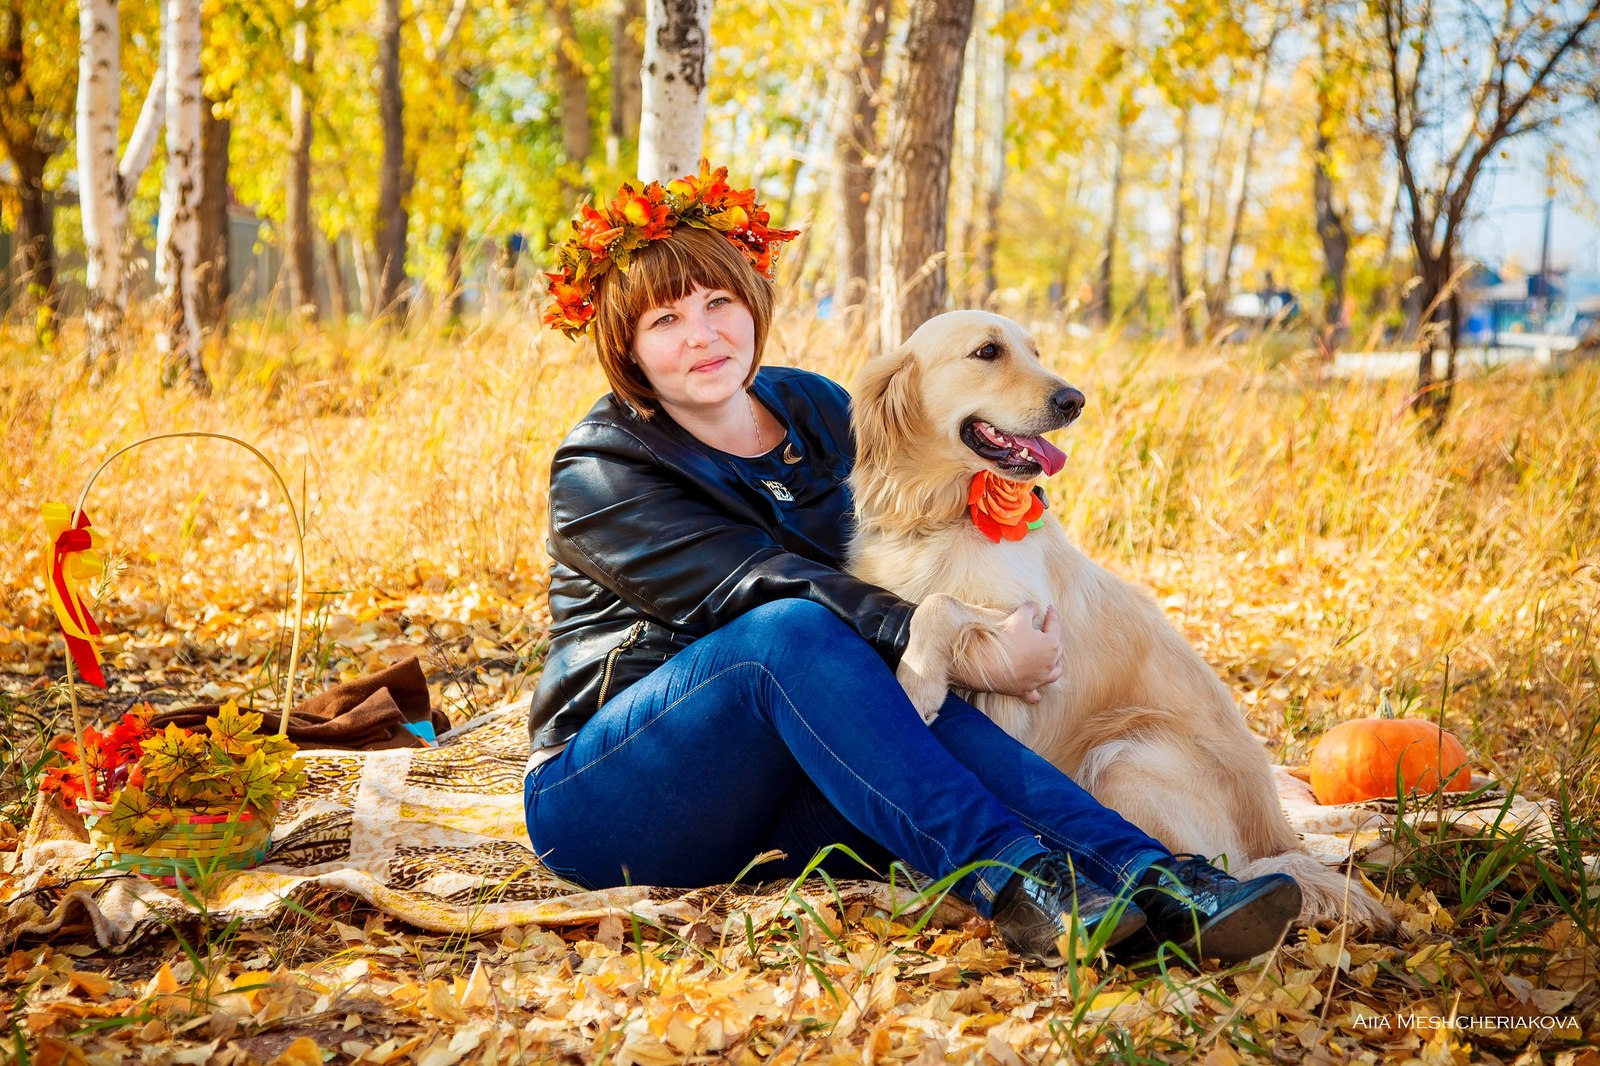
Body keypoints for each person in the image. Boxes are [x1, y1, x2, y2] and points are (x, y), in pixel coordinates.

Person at [525, 163, 1302, 967]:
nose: (704, 334)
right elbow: (764, 585)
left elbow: (933, 518)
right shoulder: (603, 466)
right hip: (619, 795)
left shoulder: (820, 410)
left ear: (751, 304)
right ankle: (1020, 886)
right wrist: (964, 643)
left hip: (786, 792)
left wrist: (1000, 601)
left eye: (719, 302)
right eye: (666, 319)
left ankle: (1160, 881)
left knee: (904, 705)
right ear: (627, 348)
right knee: (794, 633)